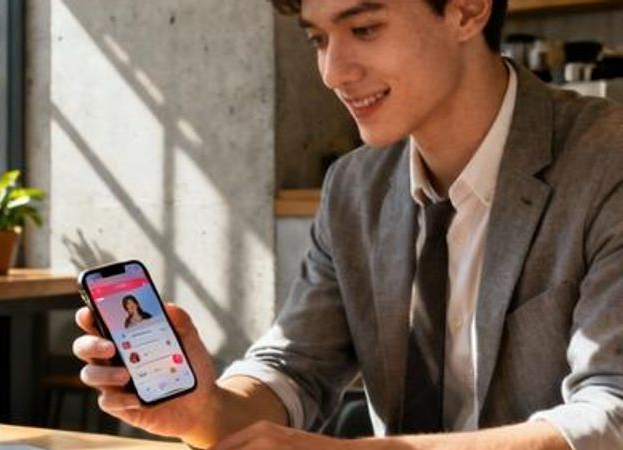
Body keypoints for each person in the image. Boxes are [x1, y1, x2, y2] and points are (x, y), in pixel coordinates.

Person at [73, 0, 623, 449]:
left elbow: (612, 419)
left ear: (467, 10)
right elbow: (295, 366)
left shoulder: (607, 162)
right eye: (318, 39)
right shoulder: (354, 188)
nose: (333, 72)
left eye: (364, 28)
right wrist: (206, 409)